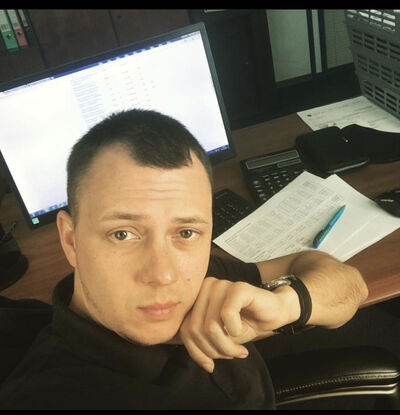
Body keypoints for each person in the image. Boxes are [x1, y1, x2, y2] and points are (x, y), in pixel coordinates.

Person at [0, 109, 368, 409]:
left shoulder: (209, 277)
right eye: (123, 234)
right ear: (70, 240)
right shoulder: (47, 396)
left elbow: (350, 286)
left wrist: (289, 305)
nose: (163, 274)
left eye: (186, 232)